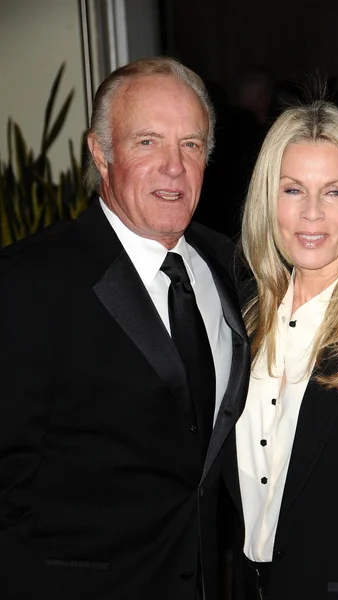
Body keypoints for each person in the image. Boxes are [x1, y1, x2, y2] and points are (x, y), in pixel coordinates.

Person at [0, 57, 250, 600]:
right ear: (99, 153)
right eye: (147, 142)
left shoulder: (229, 264)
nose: (173, 167)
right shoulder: (28, 282)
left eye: (190, 144)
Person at [235, 100, 338, 599]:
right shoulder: (240, 316)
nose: (311, 213)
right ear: (269, 199)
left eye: (333, 192)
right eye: (292, 190)